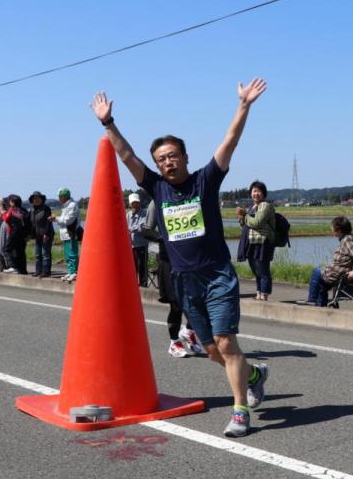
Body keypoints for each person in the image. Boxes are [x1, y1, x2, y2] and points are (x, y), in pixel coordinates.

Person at [90, 78, 270, 438]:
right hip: (185, 281)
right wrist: (108, 124)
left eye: (173, 156)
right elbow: (127, 156)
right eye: (161, 159)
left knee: (225, 343)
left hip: (217, 275)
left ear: (185, 157)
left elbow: (230, 141)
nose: (167, 162)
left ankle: (239, 411)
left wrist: (244, 105)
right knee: (211, 351)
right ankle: (253, 374)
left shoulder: (206, 180)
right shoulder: (156, 186)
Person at [144, 197, 207, 357]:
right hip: (169, 259)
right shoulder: (156, 201)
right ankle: (174, 343)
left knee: (197, 299)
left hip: (191, 259)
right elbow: (146, 230)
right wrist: (165, 237)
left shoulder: (190, 199)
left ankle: (188, 331)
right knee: (176, 304)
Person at [303, 216, 353, 307]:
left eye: (332, 228)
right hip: (340, 271)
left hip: (340, 274)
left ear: (338, 230)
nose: (331, 230)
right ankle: (320, 305)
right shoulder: (350, 237)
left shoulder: (347, 240)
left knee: (316, 272)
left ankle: (312, 301)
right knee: (321, 283)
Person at [237, 180, 276, 301]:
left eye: (259, 191)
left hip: (263, 242)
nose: (256, 194)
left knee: (263, 269)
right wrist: (241, 217)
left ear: (263, 194)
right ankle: (259, 293)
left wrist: (246, 215)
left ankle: (264, 294)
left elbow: (257, 223)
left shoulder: (265, 206)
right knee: (256, 270)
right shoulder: (253, 207)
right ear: (250, 193)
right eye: (254, 191)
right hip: (252, 242)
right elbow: (246, 225)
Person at [52, 188, 80, 282]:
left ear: (65, 196)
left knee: (73, 254)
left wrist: (56, 218)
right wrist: (57, 219)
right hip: (65, 234)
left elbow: (68, 220)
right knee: (68, 255)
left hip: (71, 233)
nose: (59, 198)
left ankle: (75, 272)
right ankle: (70, 271)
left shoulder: (72, 205)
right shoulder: (65, 206)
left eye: (60, 196)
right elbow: (63, 220)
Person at [28, 191, 55, 278]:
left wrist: (46, 233)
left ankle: (46, 272)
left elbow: (49, 222)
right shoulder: (31, 209)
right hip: (37, 235)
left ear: (41, 199)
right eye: (34, 198)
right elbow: (31, 223)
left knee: (45, 254)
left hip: (46, 234)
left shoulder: (46, 208)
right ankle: (38, 271)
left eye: (38, 198)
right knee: (37, 254)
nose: (36, 200)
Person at [0, 194, 28, 274]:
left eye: (9, 201)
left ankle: (13, 267)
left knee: (6, 249)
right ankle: (23, 270)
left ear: (12, 202)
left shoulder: (13, 209)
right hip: (23, 234)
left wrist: (2, 211)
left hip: (14, 232)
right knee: (20, 252)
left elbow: (6, 218)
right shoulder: (24, 210)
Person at [127, 192, 150, 286]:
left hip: (142, 244)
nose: (135, 204)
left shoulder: (145, 212)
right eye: (133, 202)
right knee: (133, 266)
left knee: (142, 265)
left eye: (137, 202)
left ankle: (143, 284)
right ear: (130, 204)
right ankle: (133, 284)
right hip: (131, 245)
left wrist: (130, 229)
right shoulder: (128, 215)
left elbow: (142, 226)